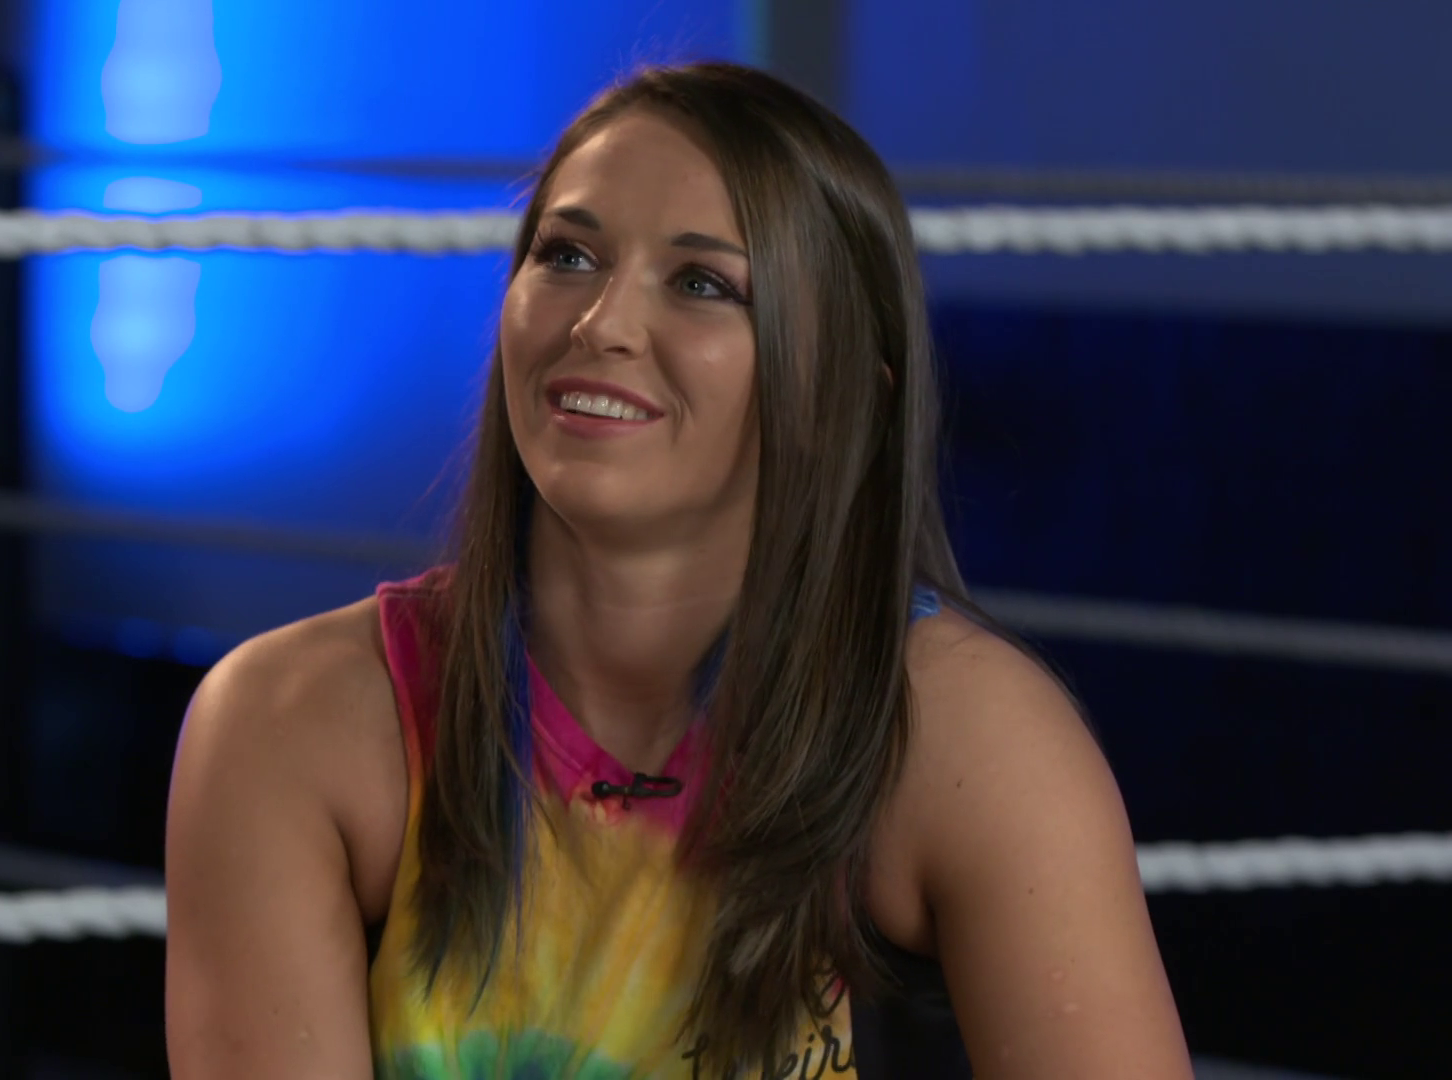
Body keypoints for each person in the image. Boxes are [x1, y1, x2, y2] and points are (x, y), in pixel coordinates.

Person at [163, 62, 1192, 1079]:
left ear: (839, 395)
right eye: (567, 256)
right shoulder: (288, 721)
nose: (599, 324)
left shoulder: (973, 739)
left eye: (703, 284)